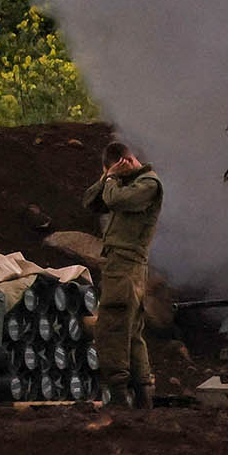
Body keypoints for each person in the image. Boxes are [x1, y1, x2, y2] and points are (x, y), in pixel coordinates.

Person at [82, 141, 162, 408]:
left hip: (127, 266)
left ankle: (118, 396)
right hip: (121, 266)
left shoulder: (148, 184)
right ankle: (142, 397)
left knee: (111, 328)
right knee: (131, 333)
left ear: (125, 162)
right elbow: (90, 201)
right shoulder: (123, 183)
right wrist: (108, 177)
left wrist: (112, 179)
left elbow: (116, 200)